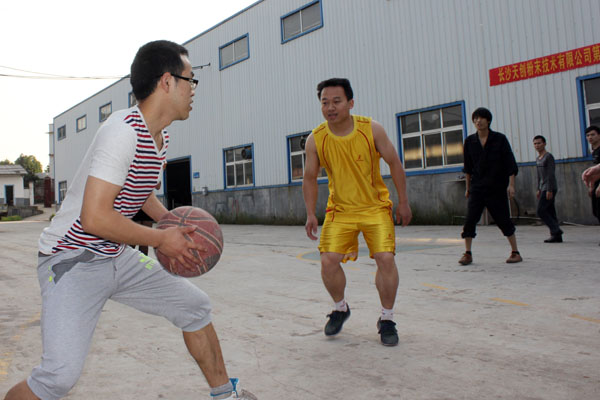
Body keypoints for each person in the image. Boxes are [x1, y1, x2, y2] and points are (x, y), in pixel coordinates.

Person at [4, 41, 256, 400]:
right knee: (57, 377)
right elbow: (94, 217)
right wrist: (161, 239)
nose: (193, 90)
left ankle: (225, 395)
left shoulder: (160, 137)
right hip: (71, 259)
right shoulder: (122, 131)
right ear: (167, 81)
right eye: (190, 80)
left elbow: (139, 192)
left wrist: (170, 222)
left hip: (116, 256)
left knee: (195, 307)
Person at [302, 78, 412, 346]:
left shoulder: (371, 129)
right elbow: (309, 177)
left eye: (336, 101)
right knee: (328, 260)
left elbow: (394, 163)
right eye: (325, 102)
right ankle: (340, 309)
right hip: (340, 210)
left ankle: (387, 319)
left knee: (385, 258)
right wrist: (310, 213)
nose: (330, 107)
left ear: (350, 103)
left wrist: (403, 202)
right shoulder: (316, 139)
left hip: (375, 207)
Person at [459, 107, 522, 265]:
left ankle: (515, 252)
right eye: (475, 119)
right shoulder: (470, 142)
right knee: (470, 220)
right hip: (477, 188)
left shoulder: (499, 139)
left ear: (488, 120)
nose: (478, 121)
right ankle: (467, 253)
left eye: (481, 118)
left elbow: (510, 163)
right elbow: (468, 168)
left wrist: (511, 185)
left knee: (503, 219)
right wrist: (468, 188)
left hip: (496, 187)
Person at [533, 135, 563, 242]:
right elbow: (539, 175)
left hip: (549, 187)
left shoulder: (548, 157)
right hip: (543, 188)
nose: (537, 145)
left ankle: (556, 230)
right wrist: (538, 188)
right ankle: (556, 236)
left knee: (541, 211)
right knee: (550, 211)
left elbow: (550, 174)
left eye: (539, 143)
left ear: (544, 144)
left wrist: (549, 189)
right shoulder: (538, 158)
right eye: (535, 144)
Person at [584, 126, 600, 227]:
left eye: (593, 135)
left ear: (599, 135)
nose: (590, 137)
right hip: (596, 183)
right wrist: (591, 186)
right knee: (596, 211)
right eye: (588, 135)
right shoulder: (594, 150)